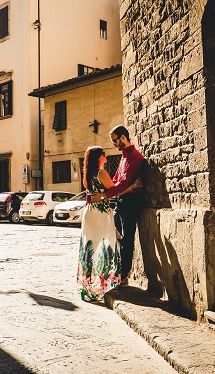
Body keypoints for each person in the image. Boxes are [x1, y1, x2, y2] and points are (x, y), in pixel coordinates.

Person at [77, 146, 141, 302]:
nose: (106, 155)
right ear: (99, 157)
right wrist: (132, 186)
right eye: (104, 153)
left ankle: (89, 285)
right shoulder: (101, 173)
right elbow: (115, 191)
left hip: (90, 213)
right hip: (100, 214)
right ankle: (106, 283)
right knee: (108, 245)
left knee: (91, 247)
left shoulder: (88, 174)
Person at [91, 125, 145, 287]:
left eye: (115, 141)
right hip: (121, 202)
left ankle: (124, 274)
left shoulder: (135, 158)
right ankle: (113, 269)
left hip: (131, 203)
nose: (114, 144)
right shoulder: (123, 156)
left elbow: (122, 184)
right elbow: (115, 180)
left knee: (127, 239)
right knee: (114, 237)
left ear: (123, 137)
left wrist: (104, 195)